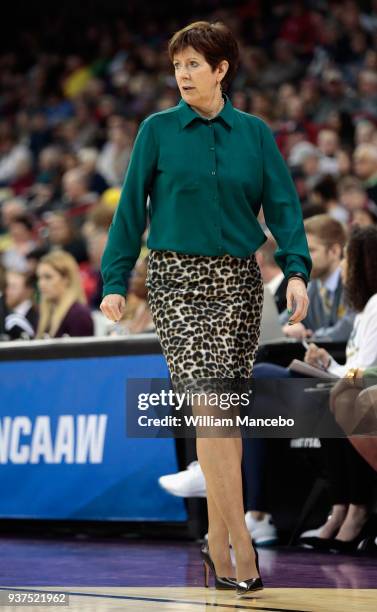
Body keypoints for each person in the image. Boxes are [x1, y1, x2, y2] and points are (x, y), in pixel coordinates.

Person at [99, 21, 311, 596]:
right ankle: (240, 541)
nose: (183, 75)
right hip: (176, 280)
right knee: (213, 407)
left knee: (223, 419)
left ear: (221, 70)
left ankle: (216, 541)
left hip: (239, 282)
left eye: (194, 64)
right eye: (177, 66)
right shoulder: (157, 130)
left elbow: (285, 210)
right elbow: (129, 213)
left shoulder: (256, 134)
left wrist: (296, 272)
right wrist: (115, 279)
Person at [300, 225, 377, 552]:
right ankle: (342, 507)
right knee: (329, 396)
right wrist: (328, 365)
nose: (345, 266)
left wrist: (336, 374)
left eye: (348, 258)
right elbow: (359, 367)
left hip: (369, 389)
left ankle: (356, 509)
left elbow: (369, 370)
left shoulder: (375, 305)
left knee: (344, 398)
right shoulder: (364, 310)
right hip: (363, 383)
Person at [280, 214, 354, 342]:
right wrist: (288, 328)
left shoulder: (354, 283)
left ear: (334, 251)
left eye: (310, 250)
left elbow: (348, 329)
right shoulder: (310, 286)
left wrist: (310, 336)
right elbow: (282, 321)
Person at [36, 250, 94, 338]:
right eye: (39, 278)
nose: (41, 284)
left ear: (66, 279)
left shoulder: (78, 315)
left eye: (48, 277)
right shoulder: (45, 313)